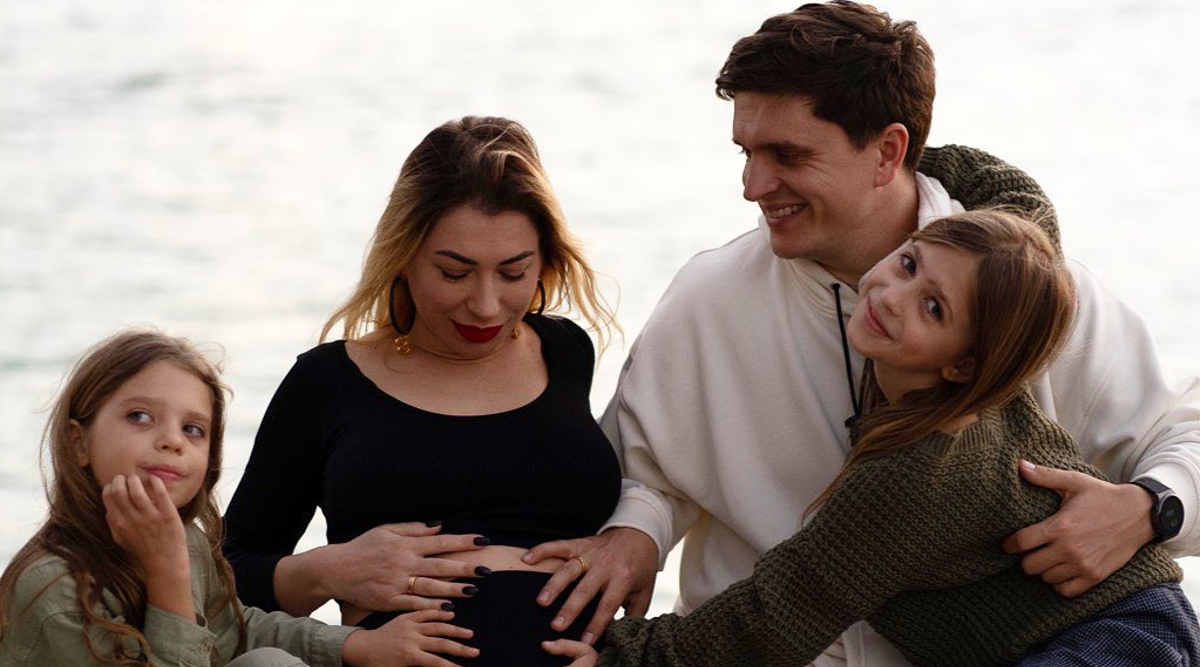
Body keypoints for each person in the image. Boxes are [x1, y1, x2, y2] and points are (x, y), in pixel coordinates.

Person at [521, 2, 1200, 664]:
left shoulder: (1039, 299)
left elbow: (1182, 437)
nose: (753, 186)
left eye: (787, 155)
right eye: (746, 151)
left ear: (888, 152)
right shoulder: (708, 297)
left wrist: (1150, 508)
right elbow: (646, 469)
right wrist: (635, 531)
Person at [543, 211, 1200, 667]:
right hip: (1114, 623)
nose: (891, 295)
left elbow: (782, 611)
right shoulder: (965, 375)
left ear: (965, 363)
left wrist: (623, 658)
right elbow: (1012, 199)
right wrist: (925, 167)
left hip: (1117, 640)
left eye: (933, 307)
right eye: (909, 262)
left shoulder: (920, 475)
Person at [222, 116, 622, 666]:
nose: (486, 305)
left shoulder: (565, 350)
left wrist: (625, 549)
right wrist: (327, 570)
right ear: (404, 257)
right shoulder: (328, 383)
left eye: (513, 273)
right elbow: (223, 579)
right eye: (454, 273)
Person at [0, 330, 476, 667]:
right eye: (140, 417)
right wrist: (167, 573)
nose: (171, 440)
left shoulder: (187, 541)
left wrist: (357, 646)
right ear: (79, 442)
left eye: (193, 429)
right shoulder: (53, 589)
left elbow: (236, 632)